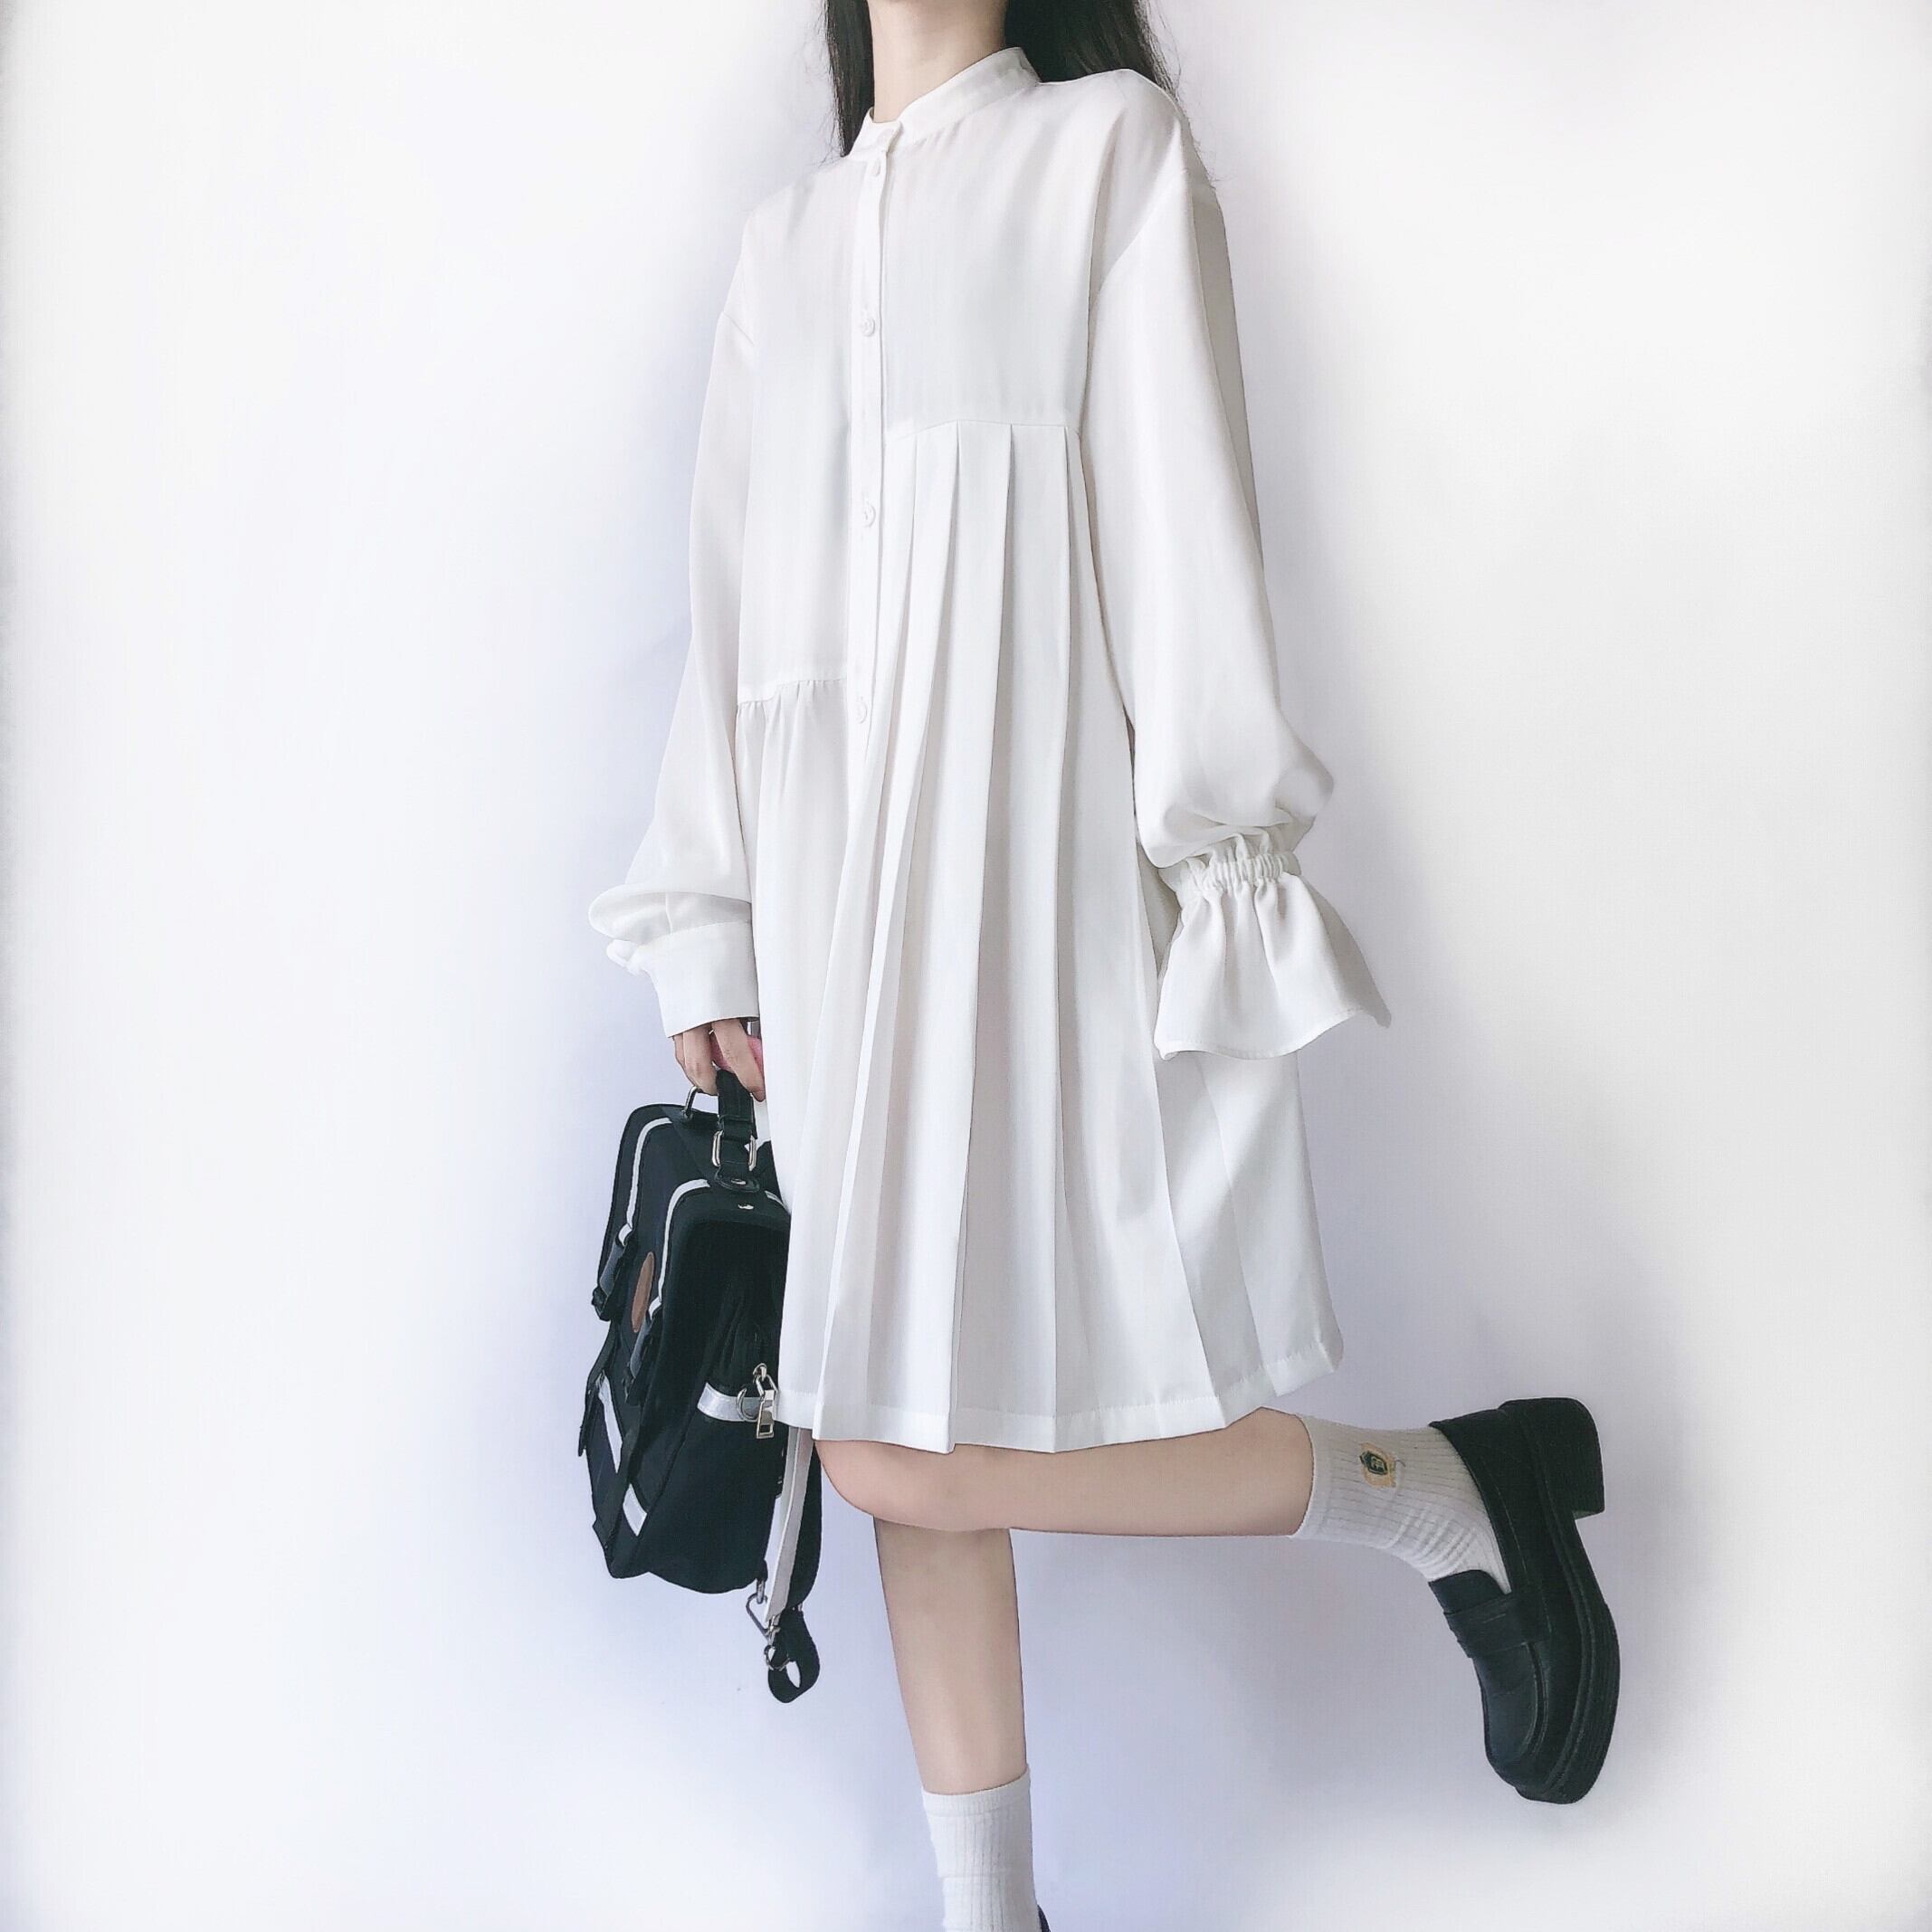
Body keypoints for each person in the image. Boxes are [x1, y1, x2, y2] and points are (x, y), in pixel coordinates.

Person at [589, 5, 1620, 1926]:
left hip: (1028, 875)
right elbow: (731, 608)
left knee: (893, 1448)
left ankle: (1433, 1493)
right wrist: (709, 910)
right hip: (824, 906)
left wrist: (1222, 866)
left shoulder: (1106, 153)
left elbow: (1181, 539)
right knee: (885, 1414)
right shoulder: (782, 248)